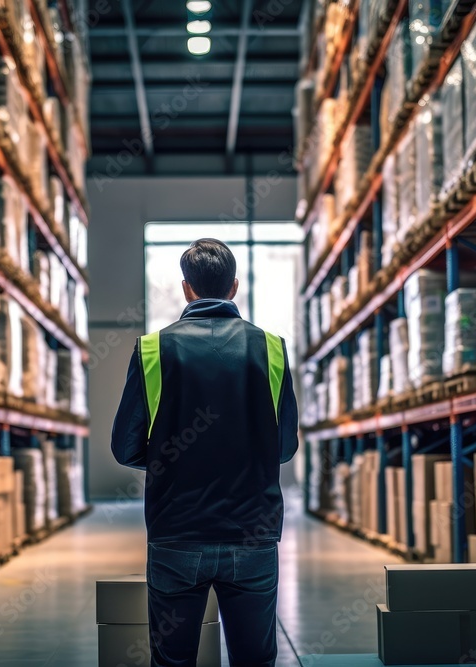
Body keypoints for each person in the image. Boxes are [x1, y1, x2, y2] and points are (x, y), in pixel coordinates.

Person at [111, 238, 299, 667]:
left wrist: (171, 458)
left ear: (186, 289)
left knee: (172, 661)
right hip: (252, 536)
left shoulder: (152, 349)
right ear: (233, 287)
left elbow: (124, 448)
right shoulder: (271, 349)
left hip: (177, 535)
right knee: (255, 660)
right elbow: (284, 448)